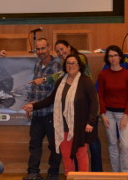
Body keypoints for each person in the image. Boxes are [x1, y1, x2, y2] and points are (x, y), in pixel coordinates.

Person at [30, 39, 102, 171]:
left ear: (79, 65)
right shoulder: (62, 80)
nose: (70, 65)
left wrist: (90, 122)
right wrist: (34, 106)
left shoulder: (84, 79)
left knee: (82, 152)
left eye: (73, 63)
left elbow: (93, 101)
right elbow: (51, 98)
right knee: (66, 154)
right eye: (68, 63)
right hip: (63, 125)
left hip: (82, 122)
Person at [22, 38, 62, 180]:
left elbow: (55, 93)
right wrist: (30, 104)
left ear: (49, 48)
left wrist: (44, 80)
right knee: (34, 144)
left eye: (43, 48)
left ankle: (53, 172)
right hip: (37, 114)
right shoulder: (38, 64)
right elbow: (35, 88)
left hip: (51, 113)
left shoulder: (57, 66)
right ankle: (33, 173)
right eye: (38, 49)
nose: (40, 52)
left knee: (54, 145)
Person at [97, 45, 128, 172]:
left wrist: (126, 116)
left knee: (125, 145)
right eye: (110, 56)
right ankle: (115, 173)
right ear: (107, 58)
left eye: (115, 55)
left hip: (123, 114)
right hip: (108, 114)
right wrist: (102, 114)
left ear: (120, 57)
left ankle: (125, 173)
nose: (113, 58)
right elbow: (100, 95)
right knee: (112, 144)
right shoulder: (103, 75)